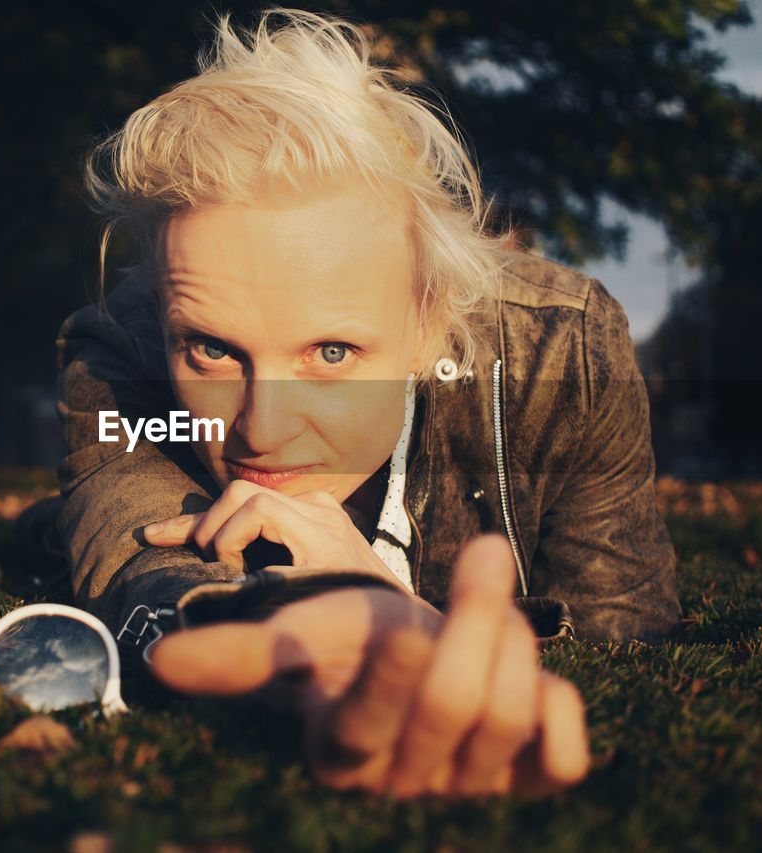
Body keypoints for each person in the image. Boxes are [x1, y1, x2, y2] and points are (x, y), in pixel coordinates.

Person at [51, 8, 681, 798]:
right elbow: (143, 561)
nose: (263, 431)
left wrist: (413, 621)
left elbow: (630, 634)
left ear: (430, 320)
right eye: (212, 350)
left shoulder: (563, 352)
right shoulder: (122, 350)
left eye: (332, 353)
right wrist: (296, 632)